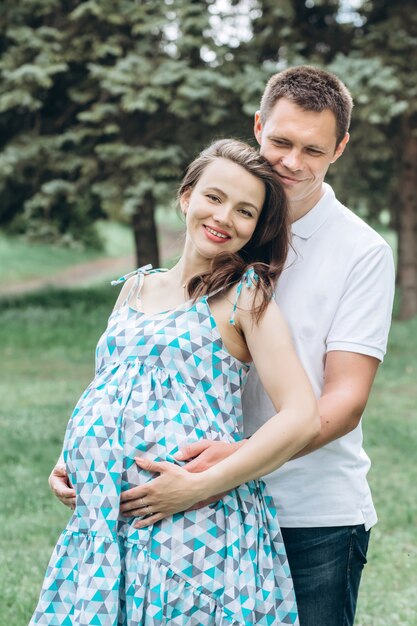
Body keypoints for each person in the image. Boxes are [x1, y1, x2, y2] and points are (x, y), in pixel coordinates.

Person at [96, 67, 395, 626]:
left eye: (313, 149)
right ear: (258, 127)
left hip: (310, 514)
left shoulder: (362, 252)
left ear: (340, 149)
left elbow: (346, 400)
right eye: (280, 141)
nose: (292, 161)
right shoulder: (230, 223)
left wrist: (231, 461)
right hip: (202, 512)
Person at [32, 138, 320, 626]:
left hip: (192, 530)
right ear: (186, 197)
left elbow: (301, 417)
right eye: (214, 197)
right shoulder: (135, 287)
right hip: (105, 523)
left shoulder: (245, 297)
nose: (225, 217)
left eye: (245, 211)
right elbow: (111, 386)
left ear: (255, 229)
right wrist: (72, 457)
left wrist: (197, 485)